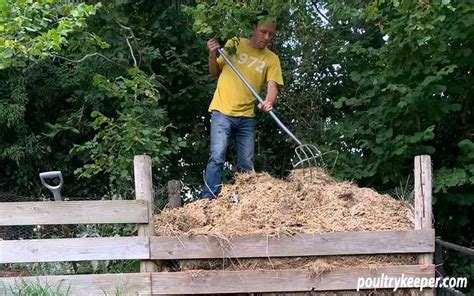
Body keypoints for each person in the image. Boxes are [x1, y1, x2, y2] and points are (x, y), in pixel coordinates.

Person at [201, 14, 284, 199]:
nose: (267, 37)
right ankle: (208, 199)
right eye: (263, 32)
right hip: (222, 111)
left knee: (246, 162)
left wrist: (269, 101)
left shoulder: (272, 59)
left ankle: (247, 202)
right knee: (217, 156)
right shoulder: (235, 43)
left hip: (247, 116)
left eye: (271, 34)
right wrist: (213, 54)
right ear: (253, 28)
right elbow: (215, 72)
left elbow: (273, 85)